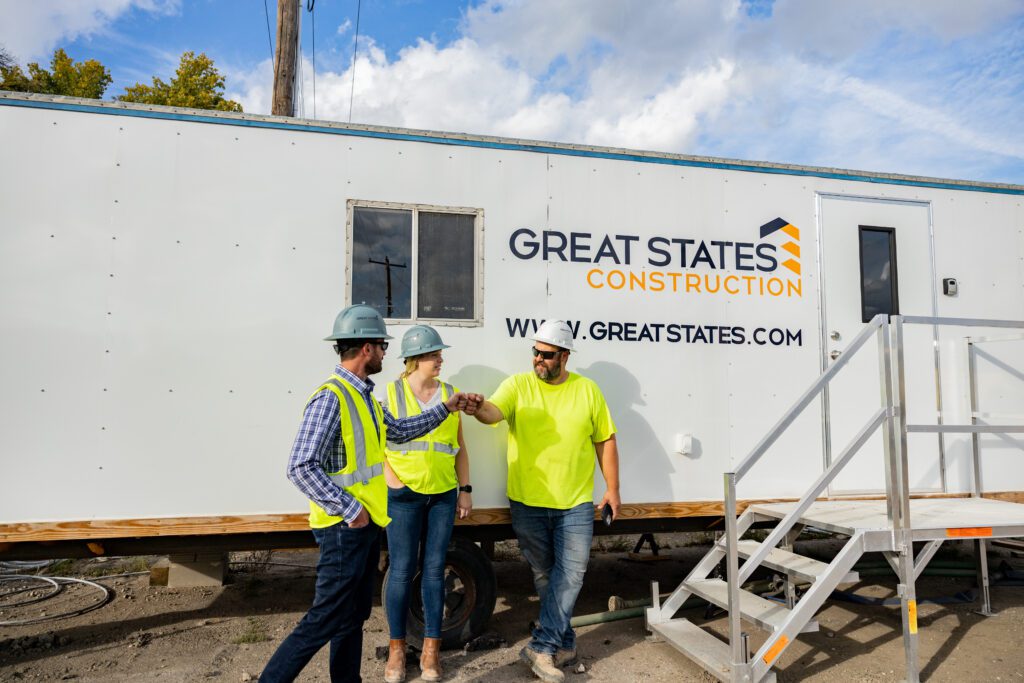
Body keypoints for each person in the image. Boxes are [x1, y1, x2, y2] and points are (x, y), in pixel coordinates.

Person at [260, 305, 479, 683]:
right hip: (342, 528)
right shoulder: (332, 397)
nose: (384, 352)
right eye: (380, 345)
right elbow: (299, 466)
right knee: (325, 617)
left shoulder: (363, 398)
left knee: (352, 616)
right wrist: (350, 508)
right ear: (366, 348)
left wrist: (446, 407)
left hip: (362, 527)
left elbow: (401, 430)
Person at [470, 320, 620, 683]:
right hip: (528, 501)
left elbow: (606, 439)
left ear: (564, 356)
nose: (538, 358)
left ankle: (540, 646)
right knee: (546, 576)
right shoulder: (519, 385)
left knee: (571, 575)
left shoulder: (587, 390)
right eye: (535, 351)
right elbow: (494, 413)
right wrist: (476, 408)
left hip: (575, 503)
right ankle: (563, 643)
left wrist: (613, 489)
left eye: (547, 354)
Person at [382, 325, 472, 683]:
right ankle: (397, 648)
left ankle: (431, 652)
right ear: (415, 359)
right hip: (402, 496)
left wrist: (464, 488)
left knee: (435, 571)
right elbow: (377, 440)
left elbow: (459, 447)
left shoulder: (450, 394)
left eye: (439, 354)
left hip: (442, 495)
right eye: (435, 354)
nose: (440, 359)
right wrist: (391, 476)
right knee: (402, 571)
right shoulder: (390, 393)